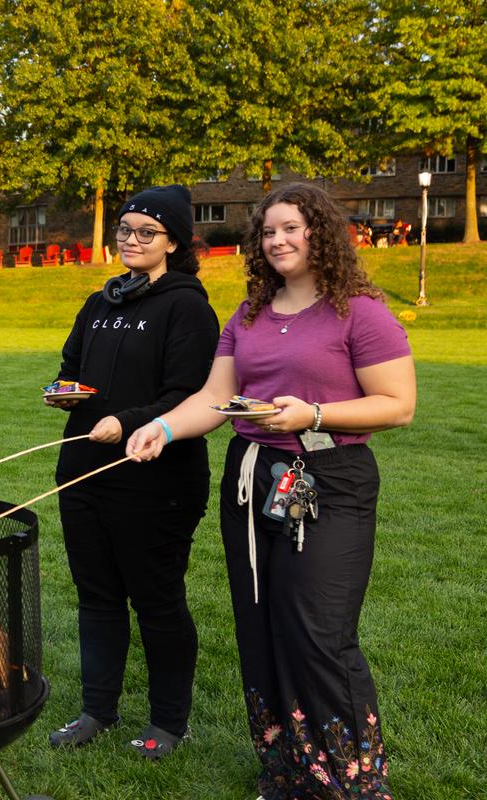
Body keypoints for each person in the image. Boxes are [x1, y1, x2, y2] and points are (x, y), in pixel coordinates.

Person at [127, 183, 414, 799]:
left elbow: (398, 405)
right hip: (253, 479)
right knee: (261, 626)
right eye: (268, 231)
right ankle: (287, 771)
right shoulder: (249, 313)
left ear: (321, 234)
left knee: (318, 631)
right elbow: (214, 399)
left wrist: (311, 414)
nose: (277, 240)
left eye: (292, 228)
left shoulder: (359, 310)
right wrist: (162, 427)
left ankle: (351, 782)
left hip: (329, 480)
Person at [46, 185, 218, 760]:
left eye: (147, 231)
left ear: (173, 241)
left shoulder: (187, 305)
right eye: (125, 229)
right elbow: (71, 367)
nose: (133, 240)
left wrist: (128, 420)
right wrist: (65, 393)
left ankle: (170, 721)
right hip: (84, 471)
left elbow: (190, 393)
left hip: (156, 481)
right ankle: (98, 709)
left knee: (157, 600)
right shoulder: (99, 303)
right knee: (96, 597)